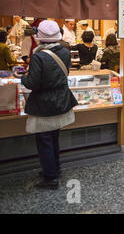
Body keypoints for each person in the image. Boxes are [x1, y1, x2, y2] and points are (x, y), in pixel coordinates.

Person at [20, 20, 78, 189]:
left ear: (41, 38)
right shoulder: (65, 52)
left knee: (44, 140)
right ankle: (54, 168)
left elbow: (33, 83)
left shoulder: (39, 56)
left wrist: (22, 77)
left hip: (44, 104)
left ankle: (50, 177)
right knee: (54, 137)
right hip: (60, 100)